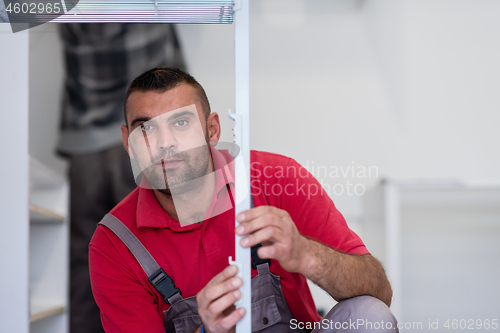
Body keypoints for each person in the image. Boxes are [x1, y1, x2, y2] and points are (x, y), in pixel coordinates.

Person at [89, 66, 398, 332]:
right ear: (128, 142)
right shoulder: (115, 244)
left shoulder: (276, 179)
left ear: (212, 130)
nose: (164, 143)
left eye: (180, 123)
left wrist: (305, 255)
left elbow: (379, 291)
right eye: (146, 128)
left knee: (369, 316)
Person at [57, 24, 185, 333]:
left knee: (84, 263)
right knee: (155, 254)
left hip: (85, 148)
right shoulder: (146, 9)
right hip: (144, 143)